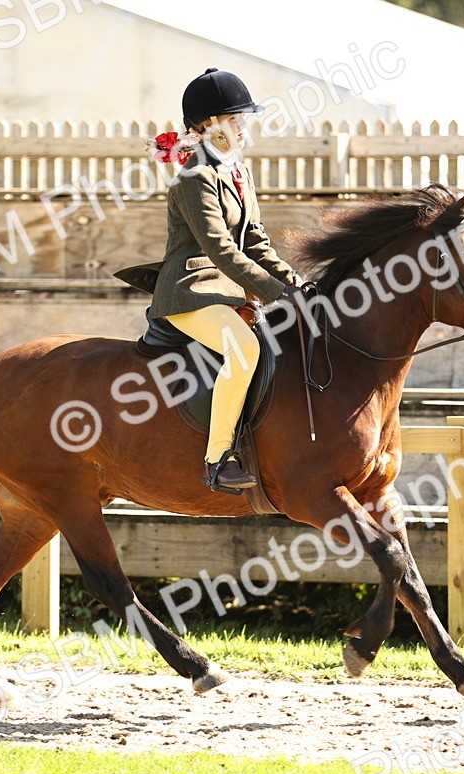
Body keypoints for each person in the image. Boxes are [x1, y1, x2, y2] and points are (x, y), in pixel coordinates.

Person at [148, 68, 307, 492]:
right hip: (190, 292)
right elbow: (221, 251)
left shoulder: (237, 173)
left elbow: (254, 240)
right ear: (207, 126)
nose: (243, 127)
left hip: (226, 292)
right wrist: (278, 293)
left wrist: (297, 283)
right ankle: (217, 459)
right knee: (244, 348)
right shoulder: (193, 177)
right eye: (235, 119)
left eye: (243, 119)